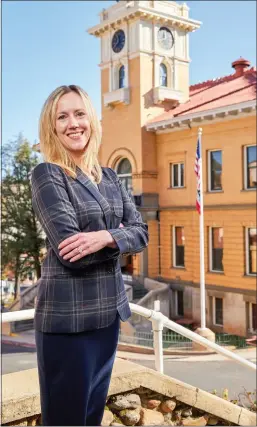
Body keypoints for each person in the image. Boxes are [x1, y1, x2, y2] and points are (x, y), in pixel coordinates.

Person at [30, 85, 149, 426]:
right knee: (66, 420)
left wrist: (104, 237)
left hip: (107, 320)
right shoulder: (48, 174)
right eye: (62, 116)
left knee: (91, 418)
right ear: (51, 127)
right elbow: (71, 253)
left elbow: (141, 232)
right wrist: (119, 241)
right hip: (68, 324)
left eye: (79, 113)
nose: (73, 123)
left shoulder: (110, 176)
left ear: (92, 121)